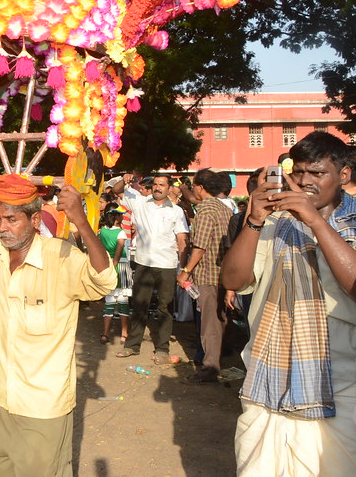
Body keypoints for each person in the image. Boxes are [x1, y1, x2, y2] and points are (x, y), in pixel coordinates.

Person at [0, 174, 116, 475]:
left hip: (43, 405)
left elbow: (104, 280)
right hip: (5, 397)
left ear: (36, 219)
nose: (2, 228)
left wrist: (81, 221)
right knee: (7, 468)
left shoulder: (60, 258)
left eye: (12, 219)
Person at [222, 132, 356, 474]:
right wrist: (253, 220)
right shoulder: (275, 222)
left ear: (343, 175)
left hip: (341, 384)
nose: (305, 181)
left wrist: (314, 221)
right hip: (267, 383)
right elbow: (234, 280)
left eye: (317, 173)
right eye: (298, 172)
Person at [113, 173, 189, 364]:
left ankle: (162, 349)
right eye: (155, 184)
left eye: (162, 185)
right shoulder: (140, 203)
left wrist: (184, 269)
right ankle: (132, 346)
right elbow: (117, 190)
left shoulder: (177, 211)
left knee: (165, 308)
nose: (157, 188)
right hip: (143, 263)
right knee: (139, 304)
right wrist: (124, 180)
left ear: (168, 187)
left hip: (167, 265)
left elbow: (182, 240)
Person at [177, 168, 233, 383]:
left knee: (209, 325)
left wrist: (185, 272)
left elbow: (199, 247)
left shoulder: (206, 210)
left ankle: (209, 368)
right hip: (223, 274)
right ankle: (214, 361)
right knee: (219, 321)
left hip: (208, 275)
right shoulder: (224, 209)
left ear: (199, 187)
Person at [99, 209, 131, 345]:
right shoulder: (121, 233)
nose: (123, 217)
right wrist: (114, 266)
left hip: (107, 265)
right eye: (121, 214)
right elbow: (119, 252)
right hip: (120, 268)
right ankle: (124, 333)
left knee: (109, 302)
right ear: (117, 217)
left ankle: (105, 334)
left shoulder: (102, 231)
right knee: (123, 302)